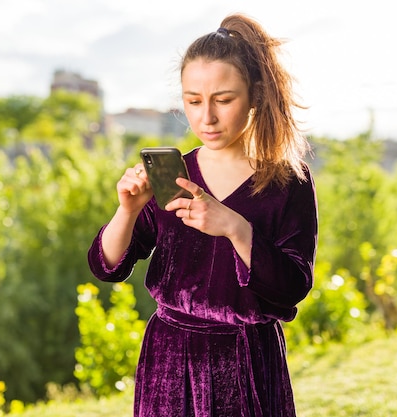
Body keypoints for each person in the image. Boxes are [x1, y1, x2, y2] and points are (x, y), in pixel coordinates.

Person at [88, 13, 318, 417]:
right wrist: (127, 211)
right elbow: (106, 267)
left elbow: (293, 286)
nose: (206, 117)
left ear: (256, 95)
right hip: (168, 361)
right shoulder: (173, 176)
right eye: (193, 101)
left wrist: (234, 228)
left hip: (247, 363)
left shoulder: (288, 181)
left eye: (223, 100)